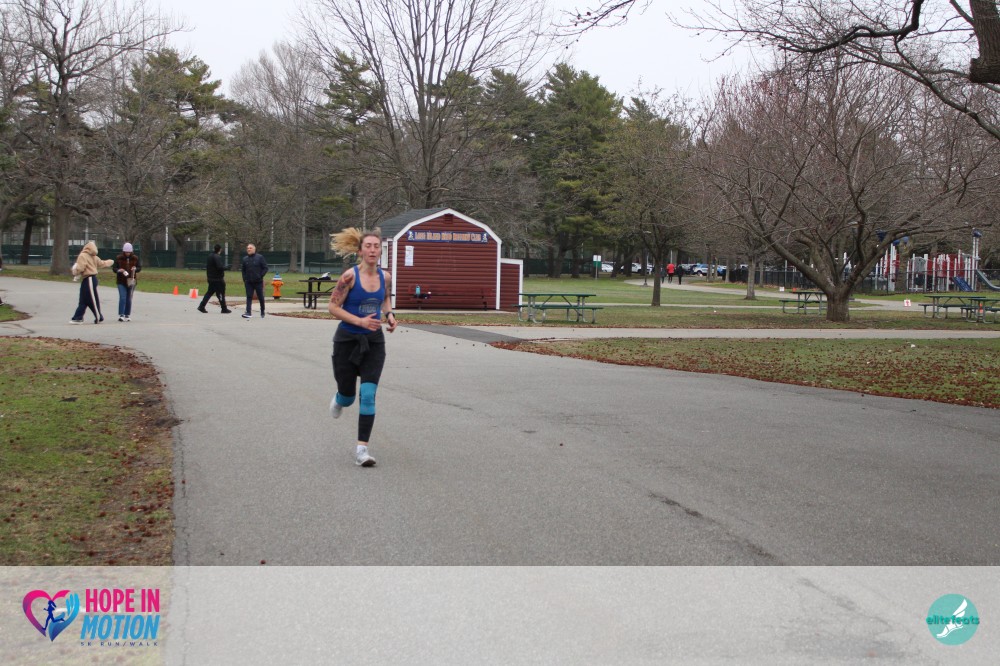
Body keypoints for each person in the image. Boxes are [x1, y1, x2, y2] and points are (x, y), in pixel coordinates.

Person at [327, 227, 397, 467]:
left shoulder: (385, 277)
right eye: (368, 246)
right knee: (348, 397)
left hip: (374, 341)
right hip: (347, 340)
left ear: (380, 251)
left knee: (367, 395)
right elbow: (333, 307)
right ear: (360, 251)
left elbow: (385, 298)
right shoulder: (349, 277)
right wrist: (359, 321)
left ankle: (361, 450)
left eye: (376, 246)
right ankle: (340, 399)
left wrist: (389, 315)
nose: (373, 250)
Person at [70, 241, 115, 324]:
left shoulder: (82, 255)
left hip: (89, 279)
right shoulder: (94, 256)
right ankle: (78, 317)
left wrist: (75, 271)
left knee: (92, 300)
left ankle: (99, 317)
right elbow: (102, 264)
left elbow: (81, 268)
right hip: (90, 279)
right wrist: (111, 261)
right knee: (83, 300)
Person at [198, 244, 232, 314]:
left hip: (211, 278)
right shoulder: (217, 257)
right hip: (217, 279)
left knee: (209, 292)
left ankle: (201, 306)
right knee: (221, 294)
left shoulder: (210, 256)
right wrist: (226, 268)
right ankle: (224, 308)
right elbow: (219, 267)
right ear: (220, 249)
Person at [113, 242, 141, 322]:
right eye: (126, 252)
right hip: (121, 281)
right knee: (122, 297)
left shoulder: (135, 258)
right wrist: (119, 270)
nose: (127, 253)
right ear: (124, 251)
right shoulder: (118, 258)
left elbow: (139, 268)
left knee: (129, 298)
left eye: (129, 252)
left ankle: (127, 314)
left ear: (131, 251)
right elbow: (114, 269)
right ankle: (121, 314)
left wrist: (135, 269)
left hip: (131, 280)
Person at [240, 243, 268, 319]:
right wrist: (244, 279)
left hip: (258, 281)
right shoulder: (245, 259)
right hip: (248, 282)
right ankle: (248, 312)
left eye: (250, 248)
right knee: (249, 296)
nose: (248, 249)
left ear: (254, 249)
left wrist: (260, 276)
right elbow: (243, 270)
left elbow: (265, 268)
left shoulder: (260, 257)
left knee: (260, 297)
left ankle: (262, 311)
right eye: (247, 248)